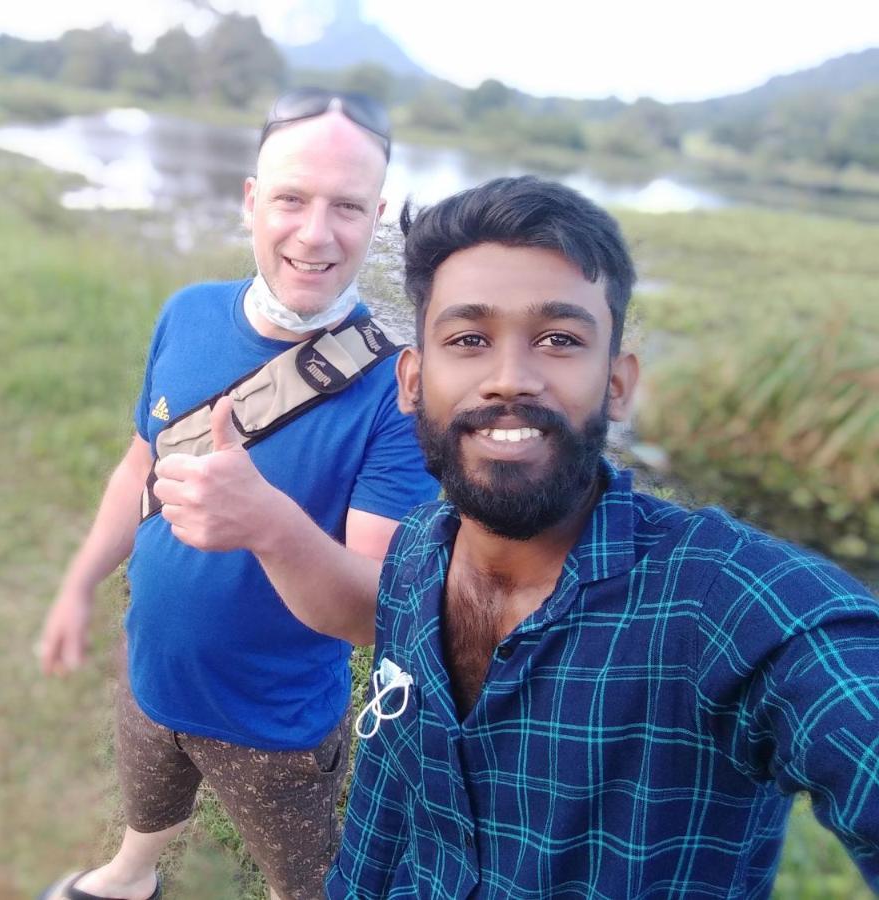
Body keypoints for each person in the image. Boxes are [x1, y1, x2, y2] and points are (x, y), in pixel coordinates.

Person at [325, 176, 879, 898]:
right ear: (412, 378)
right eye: (468, 339)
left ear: (617, 384)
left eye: (559, 339)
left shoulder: (719, 604)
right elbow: (386, 810)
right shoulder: (414, 556)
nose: (509, 379)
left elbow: (844, 695)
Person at [36, 89, 438, 900]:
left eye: (347, 207)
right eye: (291, 197)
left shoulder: (398, 394)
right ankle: (130, 873)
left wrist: (268, 524)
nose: (315, 233)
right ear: (252, 199)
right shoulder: (186, 314)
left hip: (275, 721)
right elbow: (135, 470)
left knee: (305, 873)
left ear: (377, 216)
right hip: (153, 666)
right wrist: (78, 586)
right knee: (148, 790)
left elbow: (370, 609)